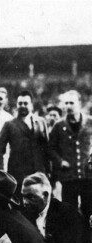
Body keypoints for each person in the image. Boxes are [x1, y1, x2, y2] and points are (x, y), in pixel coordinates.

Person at [0, 90, 49, 195]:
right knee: (19, 207)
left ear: (31, 105)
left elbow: (46, 147)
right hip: (18, 175)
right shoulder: (9, 125)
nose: (23, 106)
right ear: (16, 105)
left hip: (38, 173)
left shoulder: (41, 122)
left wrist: (48, 170)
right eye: (20, 103)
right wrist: (0, 172)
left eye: (26, 103)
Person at [48, 90, 92, 220]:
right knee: (69, 211)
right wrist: (60, 161)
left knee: (89, 210)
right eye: (66, 103)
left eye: (71, 103)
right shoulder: (58, 125)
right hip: (68, 176)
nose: (68, 106)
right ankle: (72, 239)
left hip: (88, 176)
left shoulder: (90, 122)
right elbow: (50, 148)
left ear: (79, 104)